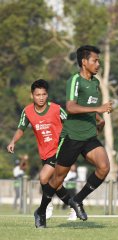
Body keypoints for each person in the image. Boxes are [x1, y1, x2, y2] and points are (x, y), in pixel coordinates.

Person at [33, 45, 113, 228]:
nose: (98, 64)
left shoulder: (95, 83)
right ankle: (41, 210)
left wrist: (99, 119)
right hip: (72, 136)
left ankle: (77, 200)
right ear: (84, 62)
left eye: (99, 60)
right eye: (95, 60)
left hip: (89, 136)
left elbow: (88, 107)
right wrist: (97, 109)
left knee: (104, 167)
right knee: (57, 179)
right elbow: (70, 107)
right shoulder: (74, 80)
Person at [7, 79, 70, 219]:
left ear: (47, 95)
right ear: (32, 95)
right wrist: (13, 141)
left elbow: (70, 123)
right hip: (45, 153)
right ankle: (73, 205)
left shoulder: (56, 108)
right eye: (38, 95)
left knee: (43, 177)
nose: (41, 98)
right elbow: (21, 129)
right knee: (55, 184)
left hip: (60, 149)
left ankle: (46, 206)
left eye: (44, 94)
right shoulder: (27, 111)